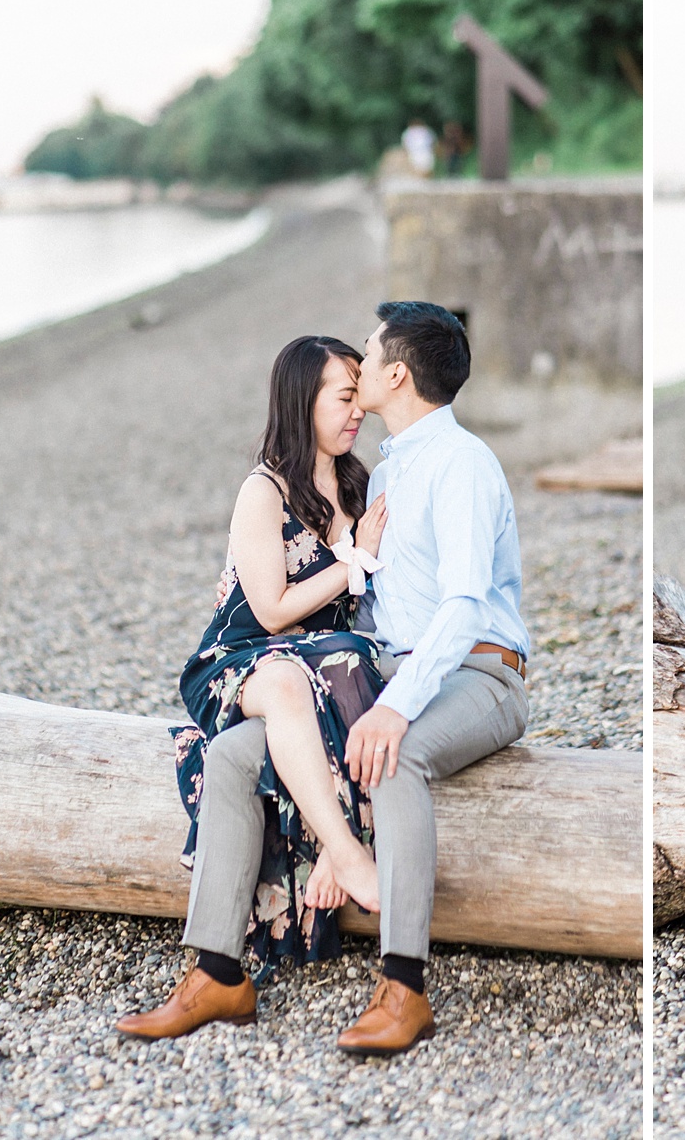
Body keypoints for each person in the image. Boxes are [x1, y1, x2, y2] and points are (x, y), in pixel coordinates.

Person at [121, 302, 530, 1057]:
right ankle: (217, 970)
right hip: (389, 669)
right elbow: (359, 612)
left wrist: (392, 709)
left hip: (478, 672)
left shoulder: (460, 462)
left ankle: (404, 986)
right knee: (234, 756)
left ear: (395, 374)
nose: (360, 372)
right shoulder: (385, 472)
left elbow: (466, 604)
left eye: (367, 361)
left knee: (394, 753)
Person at [158, 336, 388, 993]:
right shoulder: (263, 491)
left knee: (350, 666)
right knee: (294, 678)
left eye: (360, 400)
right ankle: (348, 856)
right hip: (242, 659)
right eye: (345, 399)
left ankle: (328, 859)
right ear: (301, 401)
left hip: (327, 664)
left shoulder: (357, 484)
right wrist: (353, 563)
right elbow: (273, 608)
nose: (357, 413)